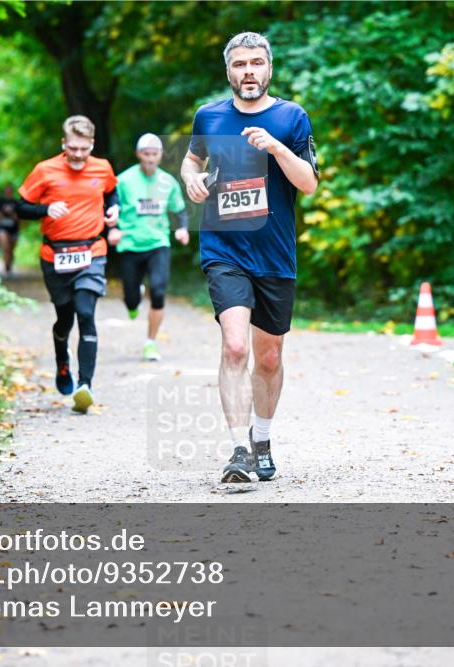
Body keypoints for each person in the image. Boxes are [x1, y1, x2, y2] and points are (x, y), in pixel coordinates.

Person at [180, 32, 319, 483]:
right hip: (224, 248)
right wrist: (191, 180)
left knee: (270, 357)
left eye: (256, 63)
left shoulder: (291, 117)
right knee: (235, 345)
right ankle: (239, 449)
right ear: (228, 71)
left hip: (274, 252)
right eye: (240, 65)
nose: (249, 72)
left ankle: (262, 438)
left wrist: (276, 148)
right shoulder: (210, 115)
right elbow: (190, 160)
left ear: (269, 68)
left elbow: (309, 183)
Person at [15, 115, 119, 414]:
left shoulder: (103, 167)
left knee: (86, 312)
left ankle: (85, 387)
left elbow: (111, 192)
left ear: (92, 145)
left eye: (83, 149)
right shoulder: (45, 170)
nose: (77, 155)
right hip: (55, 256)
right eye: (72, 148)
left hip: (92, 251)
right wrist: (46, 208)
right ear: (64, 143)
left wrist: (113, 210)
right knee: (65, 318)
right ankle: (62, 361)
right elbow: (19, 207)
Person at [112, 133, 189, 362]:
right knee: (131, 299)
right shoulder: (123, 180)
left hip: (158, 243)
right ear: (138, 154)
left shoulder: (167, 182)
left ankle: (150, 343)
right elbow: (110, 207)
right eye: (146, 154)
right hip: (129, 244)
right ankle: (133, 299)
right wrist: (111, 230)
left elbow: (180, 210)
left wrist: (182, 228)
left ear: (160, 156)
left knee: (158, 291)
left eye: (154, 154)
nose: (150, 159)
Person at [0, 184, 22, 276]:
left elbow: (20, 217)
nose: (8, 192)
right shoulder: (0, 202)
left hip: (14, 229)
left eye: (10, 191)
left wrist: (13, 215)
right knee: (5, 248)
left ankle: (9, 265)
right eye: (6, 190)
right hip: (2, 228)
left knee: (11, 249)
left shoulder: (16, 202)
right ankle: (6, 267)